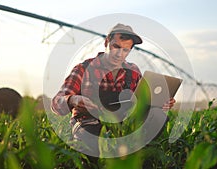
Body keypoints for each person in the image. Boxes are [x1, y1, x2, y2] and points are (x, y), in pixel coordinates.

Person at [51, 23, 176, 166]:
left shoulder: (133, 71)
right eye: (116, 47)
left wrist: (160, 104)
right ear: (106, 42)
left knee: (158, 117)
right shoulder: (83, 68)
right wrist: (72, 100)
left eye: (125, 50)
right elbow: (56, 103)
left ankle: (136, 156)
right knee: (94, 141)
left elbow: (141, 103)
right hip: (90, 124)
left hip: (123, 125)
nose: (119, 54)